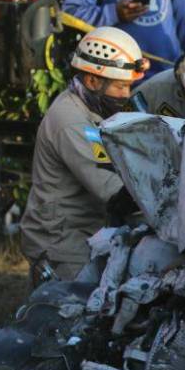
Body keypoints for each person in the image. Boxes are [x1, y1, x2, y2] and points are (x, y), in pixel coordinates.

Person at [21, 26, 147, 283]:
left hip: (89, 233)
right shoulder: (71, 121)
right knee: (72, 316)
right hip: (63, 243)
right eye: (121, 87)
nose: (126, 96)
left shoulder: (92, 108)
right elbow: (114, 192)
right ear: (92, 81)